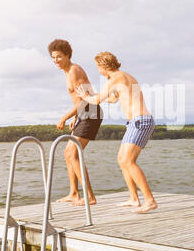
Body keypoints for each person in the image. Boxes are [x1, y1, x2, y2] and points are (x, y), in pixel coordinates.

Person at [76, 51, 158, 213]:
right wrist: (92, 95)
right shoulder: (125, 76)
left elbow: (97, 100)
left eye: (98, 67)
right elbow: (113, 99)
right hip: (137, 122)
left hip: (140, 121)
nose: (98, 70)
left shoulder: (114, 79)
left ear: (103, 66)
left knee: (128, 161)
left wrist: (84, 96)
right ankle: (134, 198)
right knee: (122, 159)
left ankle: (149, 200)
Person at [48, 39, 103, 206]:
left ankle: (90, 197)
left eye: (58, 57)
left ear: (67, 55)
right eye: (53, 57)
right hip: (83, 113)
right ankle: (73, 193)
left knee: (72, 153)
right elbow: (79, 99)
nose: (55, 60)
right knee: (68, 154)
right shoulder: (67, 72)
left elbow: (84, 101)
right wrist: (74, 118)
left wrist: (64, 117)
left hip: (91, 112)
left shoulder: (74, 71)